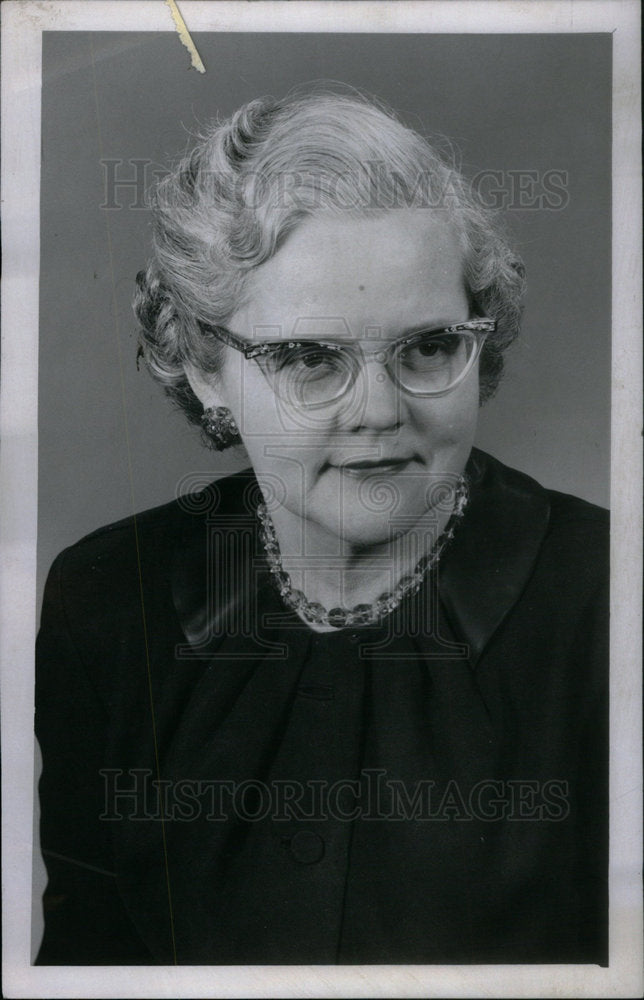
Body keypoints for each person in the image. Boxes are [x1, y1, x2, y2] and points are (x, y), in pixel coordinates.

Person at [35, 90, 608, 965]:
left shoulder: (610, 599)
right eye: (309, 357)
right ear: (204, 367)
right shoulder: (110, 598)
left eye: (428, 346)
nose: (378, 411)